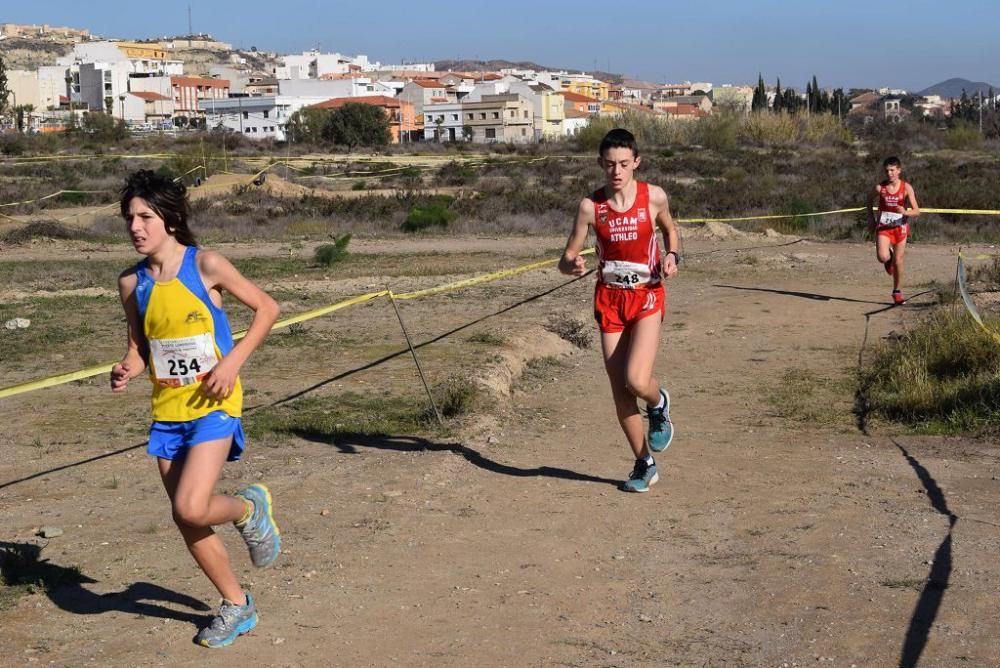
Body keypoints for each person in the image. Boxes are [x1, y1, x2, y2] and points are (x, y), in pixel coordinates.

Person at [110, 170, 281, 648]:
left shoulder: (205, 265)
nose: (135, 227)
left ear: (169, 217)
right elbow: (139, 347)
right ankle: (236, 605)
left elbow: (267, 308)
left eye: (145, 216)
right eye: (129, 218)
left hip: (215, 404)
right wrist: (126, 367)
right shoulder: (130, 283)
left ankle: (249, 508)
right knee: (188, 517)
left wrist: (231, 364)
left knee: (190, 504)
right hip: (168, 412)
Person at [559, 128, 679, 493]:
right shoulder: (590, 207)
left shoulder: (654, 197)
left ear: (636, 163)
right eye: (609, 164)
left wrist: (672, 256)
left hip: (646, 296)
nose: (616, 171)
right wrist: (573, 264)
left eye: (624, 164)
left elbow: (672, 233)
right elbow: (566, 257)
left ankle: (658, 404)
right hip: (609, 300)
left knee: (637, 380)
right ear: (600, 164)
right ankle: (644, 463)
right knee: (620, 392)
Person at [867, 156, 920, 305]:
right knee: (882, 257)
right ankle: (887, 257)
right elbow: (869, 200)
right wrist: (871, 218)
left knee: (898, 261)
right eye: (887, 171)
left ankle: (897, 291)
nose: (889, 173)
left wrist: (905, 212)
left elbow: (917, 210)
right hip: (884, 227)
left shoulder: (906, 188)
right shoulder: (880, 188)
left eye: (892, 170)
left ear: (899, 170)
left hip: (900, 228)